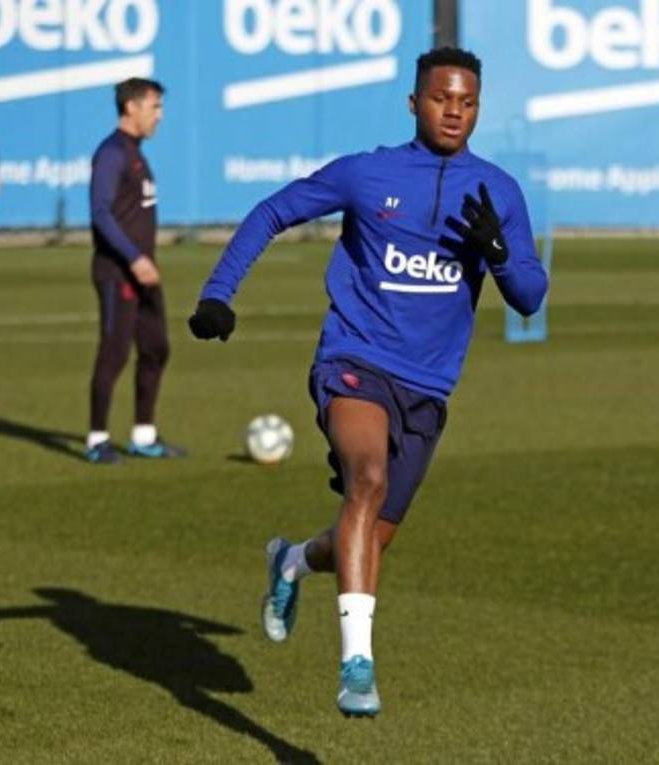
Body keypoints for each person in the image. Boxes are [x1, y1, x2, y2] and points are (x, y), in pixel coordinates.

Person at [188, 47, 548, 718]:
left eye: (467, 102)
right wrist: (218, 294)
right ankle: (358, 664)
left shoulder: (498, 191)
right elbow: (272, 212)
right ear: (414, 102)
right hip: (353, 358)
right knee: (368, 478)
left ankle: (292, 561)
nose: (454, 111)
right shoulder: (366, 173)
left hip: (428, 388)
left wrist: (497, 253)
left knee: (367, 538)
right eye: (441, 98)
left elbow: (529, 296)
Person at [85, 77, 184, 464]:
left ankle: (143, 435)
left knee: (157, 348)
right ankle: (97, 440)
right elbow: (100, 213)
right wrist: (134, 258)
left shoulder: (135, 153)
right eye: (154, 106)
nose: (160, 115)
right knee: (114, 353)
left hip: (144, 274)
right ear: (132, 107)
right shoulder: (112, 153)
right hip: (118, 273)